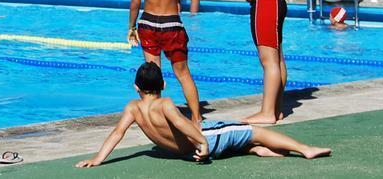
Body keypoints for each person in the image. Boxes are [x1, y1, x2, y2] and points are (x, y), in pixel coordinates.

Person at [74, 63, 330, 168]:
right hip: (204, 139)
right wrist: (203, 143)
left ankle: (255, 149)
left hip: (186, 153)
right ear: (163, 85)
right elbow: (180, 123)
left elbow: (117, 133)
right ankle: (305, 149)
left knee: (242, 139)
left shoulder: (133, 108)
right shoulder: (165, 103)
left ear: (136, 87)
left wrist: (98, 159)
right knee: (252, 130)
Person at [128, 0, 201, 123]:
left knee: (153, 73)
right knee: (183, 74)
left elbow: (135, 3)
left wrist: (131, 27)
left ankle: (156, 116)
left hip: (148, 23)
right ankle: (197, 118)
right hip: (172, 24)